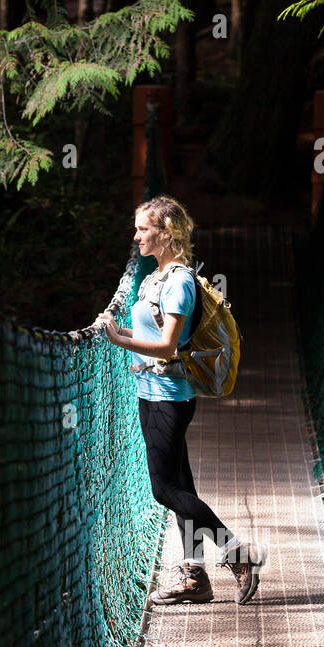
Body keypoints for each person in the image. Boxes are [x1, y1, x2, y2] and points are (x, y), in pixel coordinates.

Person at [94, 195, 260, 604]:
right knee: (181, 483)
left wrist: (118, 339)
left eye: (143, 229)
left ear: (166, 234)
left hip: (170, 396)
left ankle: (235, 551)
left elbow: (169, 345)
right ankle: (194, 577)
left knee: (164, 489)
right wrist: (123, 331)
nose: (136, 236)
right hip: (149, 392)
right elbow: (154, 336)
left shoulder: (180, 282)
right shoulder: (153, 277)